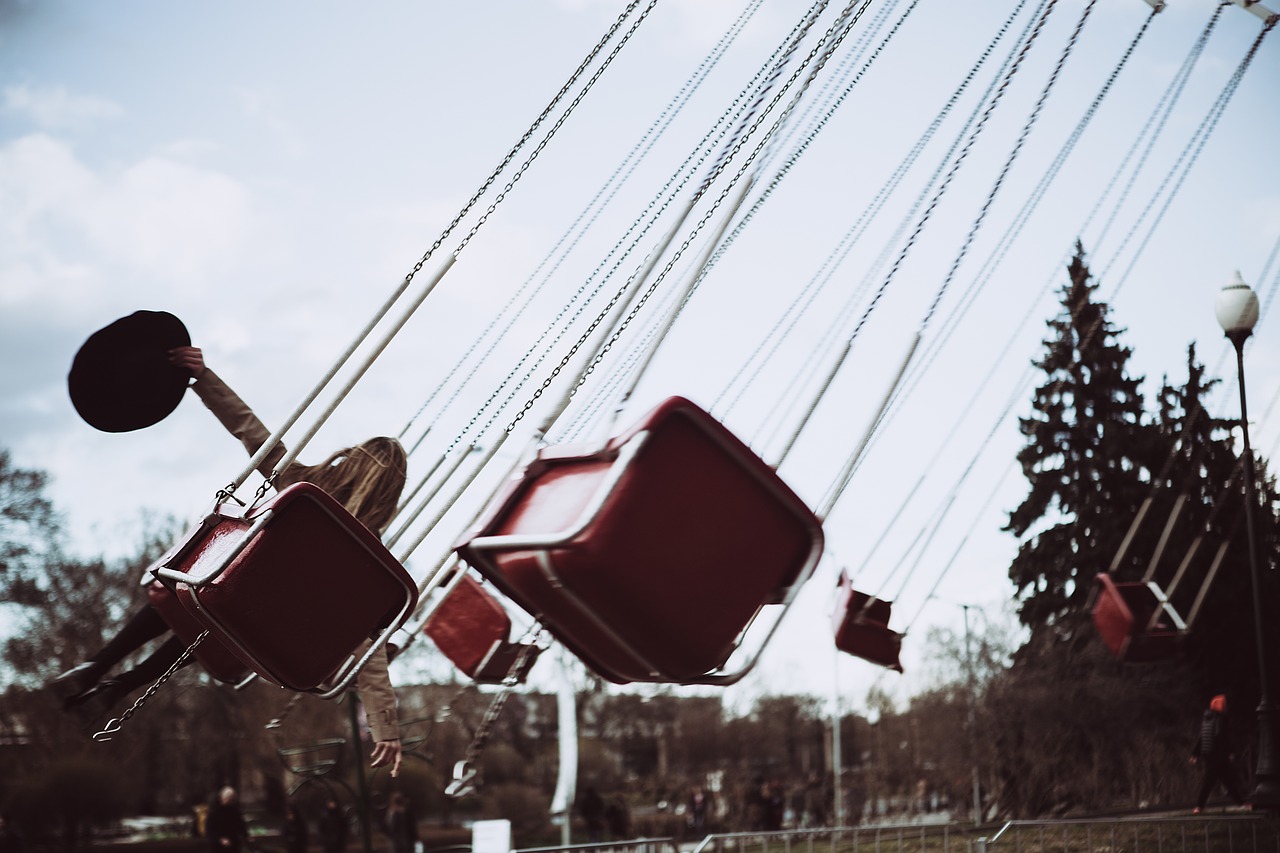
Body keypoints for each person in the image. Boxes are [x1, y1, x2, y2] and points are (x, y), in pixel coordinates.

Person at [49, 346, 407, 775]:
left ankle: (99, 665)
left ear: (354, 463)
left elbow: (252, 434)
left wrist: (205, 378)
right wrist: (385, 726)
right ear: (391, 495)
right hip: (252, 622)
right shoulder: (368, 563)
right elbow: (369, 653)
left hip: (224, 585)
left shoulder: (307, 484)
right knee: (214, 630)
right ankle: (118, 687)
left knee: (191, 594)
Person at [1190, 693, 1248, 813]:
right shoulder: (1221, 718)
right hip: (1217, 755)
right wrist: (1230, 752)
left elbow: (1202, 737)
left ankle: (1241, 803)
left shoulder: (1206, 719)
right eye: (1224, 704)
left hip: (1207, 754)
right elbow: (1222, 736)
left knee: (1226, 780)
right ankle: (1199, 806)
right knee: (1212, 781)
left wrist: (1195, 754)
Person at [206, 787, 249, 853]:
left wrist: (246, 835)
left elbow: (240, 823)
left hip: (233, 841)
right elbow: (210, 830)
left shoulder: (234, 809)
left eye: (231, 800)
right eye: (228, 800)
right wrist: (220, 839)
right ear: (222, 798)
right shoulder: (214, 811)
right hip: (217, 845)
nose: (230, 802)